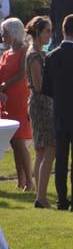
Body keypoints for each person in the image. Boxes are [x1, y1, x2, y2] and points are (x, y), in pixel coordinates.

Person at [42, 14, 73, 211]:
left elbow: (45, 88)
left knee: (61, 158)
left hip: (60, 112)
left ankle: (62, 199)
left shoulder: (51, 56)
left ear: (63, 30)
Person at [0, 17, 34, 191]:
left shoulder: (24, 50)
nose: (2, 36)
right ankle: (20, 180)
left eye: (4, 33)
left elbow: (22, 73)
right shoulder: (6, 53)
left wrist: (4, 86)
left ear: (13, 33)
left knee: (20, 142)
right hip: (6, 102)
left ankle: (30, 180)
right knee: (13, 143)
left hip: (18, 99)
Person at [26, 16, 56, 208]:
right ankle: (41, 196)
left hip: (41, 103)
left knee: (40, 151)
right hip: (41, 104)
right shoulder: (35, 55)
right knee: (49, 149)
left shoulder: (39, 53)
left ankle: (40, 193)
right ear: (38, 32)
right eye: (47, 31)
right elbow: (39, 86)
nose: (50, 35)